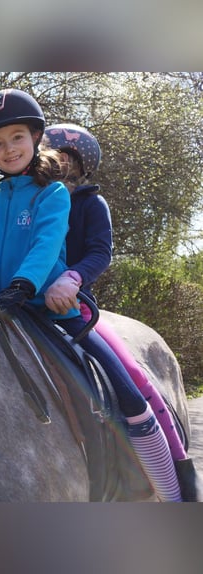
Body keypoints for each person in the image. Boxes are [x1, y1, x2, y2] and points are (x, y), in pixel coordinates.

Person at [0, 88, 183, 501]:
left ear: (35, 139)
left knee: (123, 385)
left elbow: (46, 243)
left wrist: (24, 286)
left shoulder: (54, 196)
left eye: (16, 138)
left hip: (51, 310)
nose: (8, 149)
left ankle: (168, 487)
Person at [43, 123, 197, 501]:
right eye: (51, 157)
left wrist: (72, 278)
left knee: (126, 374)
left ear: (81, 166)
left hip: (71, 303)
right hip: (21, 300)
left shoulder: (91, 205)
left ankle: (167, 472)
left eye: (65, 159)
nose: (57, 165)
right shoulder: (30, 203)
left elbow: (100, 252)